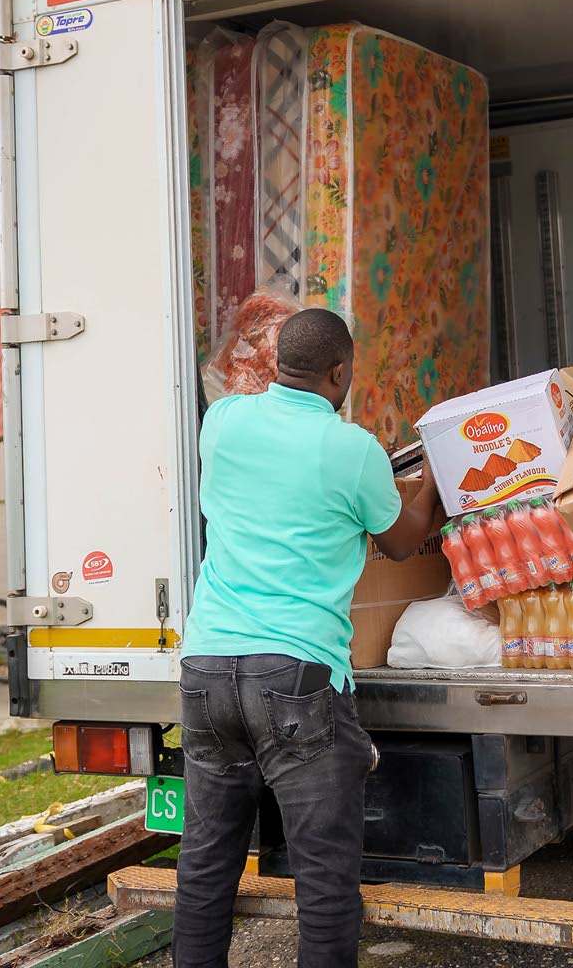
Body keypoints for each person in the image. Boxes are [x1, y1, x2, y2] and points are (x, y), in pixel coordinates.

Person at [173, 308, 439, 968]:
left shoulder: (224, 423)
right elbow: (404, 543)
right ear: (340, 372)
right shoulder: (352, 450)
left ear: (278, 365)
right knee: (324, 882)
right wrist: (439, 472)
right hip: (294, 678)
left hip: (207, 670)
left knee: (206, 867)